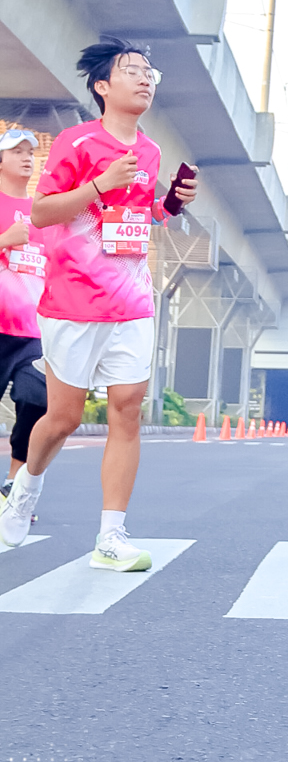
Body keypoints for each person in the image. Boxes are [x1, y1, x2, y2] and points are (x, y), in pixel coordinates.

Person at [0, 42, 197, 566]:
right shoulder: (77, 141)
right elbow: (42, 212)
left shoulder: (150, 151)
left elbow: (136, 217)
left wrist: (170, 204)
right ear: (103, 87)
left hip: (131, 300)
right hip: (73, 301)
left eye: (149, 72)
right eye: (132, 71)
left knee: (127, 410)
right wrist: (99, 183)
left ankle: (111, 536)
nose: (145, 79)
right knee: (62, 418)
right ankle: (24, 488)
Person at [0, 129, 49, 495]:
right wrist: (5, 240)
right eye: (17, 151)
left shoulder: (44, 213)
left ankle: (14, 485)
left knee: (36, 400)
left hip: (34, 331)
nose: (26, 158)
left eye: (30, 152)